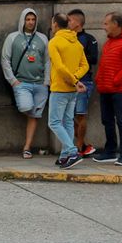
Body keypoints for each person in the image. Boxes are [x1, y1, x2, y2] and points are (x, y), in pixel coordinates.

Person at [1, 7, 49, 159]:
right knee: (26, 107)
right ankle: (27, 145)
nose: (30, 22)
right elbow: (5, 60)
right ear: (22, 20)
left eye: (33, 19)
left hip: (40, 84)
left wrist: (46, 82)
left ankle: (27, 147)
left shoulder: (42, 38)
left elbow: (48, 61)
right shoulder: (12, 37)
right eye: (27, 19)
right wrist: (13, 81)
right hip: (22, 83)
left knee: (34, 116)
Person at [91, 12, 122, 166]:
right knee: (107, 120)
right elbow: (104, 64)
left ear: (115, 24)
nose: (104, 27)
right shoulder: (109, 42)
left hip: (119, 89)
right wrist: (99, 79)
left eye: (106, 24)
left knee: (121, 121)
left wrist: (116, 80)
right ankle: (110, 151)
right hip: (105, 88)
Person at [47, 12, 89, 169]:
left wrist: (73, 79)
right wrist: (76, 79)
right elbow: (85, 65)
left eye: (52, 24)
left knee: (54, 122)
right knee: (68, 121)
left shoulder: (54, 42)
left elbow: (59, 67)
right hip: (72, 90)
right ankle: (65, 155)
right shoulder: (76, 43)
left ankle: (71, 151)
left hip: (60, 87)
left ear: (56, 25)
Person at [67, 9, 100, 156]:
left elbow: (93, 59)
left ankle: (80, 147)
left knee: (80, 114)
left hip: (84, 81)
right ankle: (83, 146)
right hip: (68, 81)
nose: (68, 23)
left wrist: (77, 55)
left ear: (78, 23)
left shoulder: (89, 39)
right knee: (66, 115)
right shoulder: (66, 37)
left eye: (70, 20)